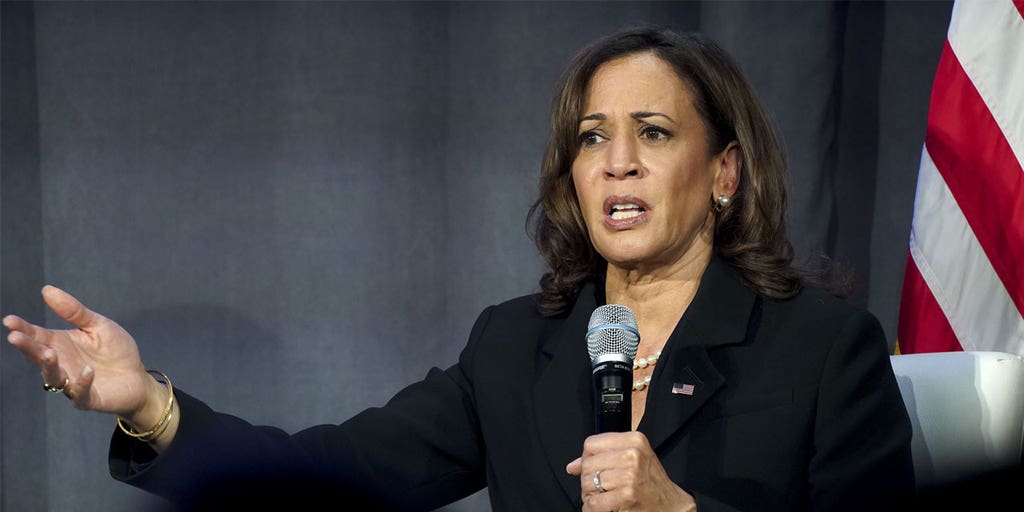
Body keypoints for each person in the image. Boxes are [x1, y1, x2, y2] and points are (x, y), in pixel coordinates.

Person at [3, 26, 914, 511]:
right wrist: (148, 406)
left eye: (656, 134)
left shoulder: (824, 348)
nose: (617, 162)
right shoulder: (519, 346)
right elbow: (332, 476)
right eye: (593, 137)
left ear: (723, 173)